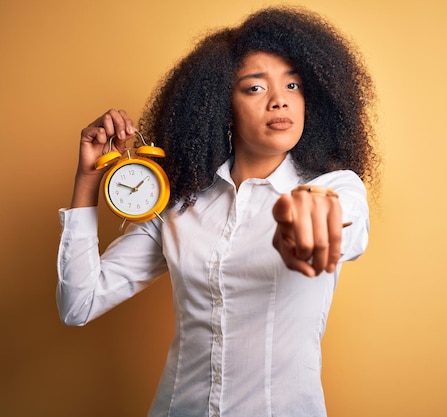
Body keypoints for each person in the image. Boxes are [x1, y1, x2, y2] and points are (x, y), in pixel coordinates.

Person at [57, 6, 378, 417]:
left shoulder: (335, 187)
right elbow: (78, 304)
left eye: (293, 85)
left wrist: (308, 221)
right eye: (255, 88)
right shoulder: (179, 204)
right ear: (222, 108)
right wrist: (87, 179)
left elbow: (341, 226)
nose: (280, 100)